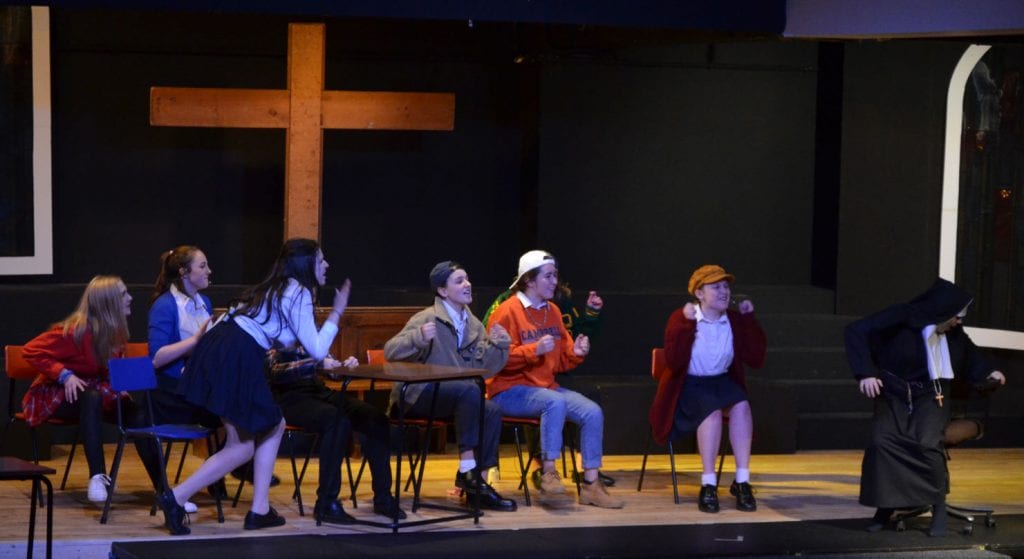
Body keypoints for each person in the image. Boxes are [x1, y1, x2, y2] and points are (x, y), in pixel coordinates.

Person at [155, 238, 351, 535]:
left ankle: (258, 509)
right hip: (237, 352)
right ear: (306, 263)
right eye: (321, 259)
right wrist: (337, 312)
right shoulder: (298, 291)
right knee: (243, 445)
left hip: (224, 346)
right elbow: (317, 349)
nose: (326, 265)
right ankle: (177, 497)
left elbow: (286, 339)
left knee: (267, 428)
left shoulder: (277, 287)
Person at [845, 278, 1006, 537]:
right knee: (882, 443)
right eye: (955, 316)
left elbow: (971, 355)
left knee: (927, 444)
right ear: (940, 310)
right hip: (894, 393)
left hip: (933, 394)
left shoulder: (953, 333)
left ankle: (938, 506)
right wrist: (865, 372)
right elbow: (856, 330)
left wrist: (990, 371)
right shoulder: (902, 316)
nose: (958, 322)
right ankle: (885, 507)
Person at [486, 250, 623, 509]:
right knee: (554, 402)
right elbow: (494, 360)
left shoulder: (553, 312)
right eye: (548, 276)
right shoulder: (506, 311)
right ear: (529, 280)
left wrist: (576, 352)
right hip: (508, 390)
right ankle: (549, 472)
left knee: (592, 411)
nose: (554, 282)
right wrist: (532, 350)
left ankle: (591, 485)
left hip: (545, 388)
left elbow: (560, 361)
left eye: (555, 276)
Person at [383, 261, 517, 511]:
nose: (467, 284)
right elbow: (390, 351)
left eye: (467, 279)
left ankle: (478, 485)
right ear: (443, 291)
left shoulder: (474, 325)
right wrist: (419, 337)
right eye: (459, 281)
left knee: (491, 410)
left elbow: (484, 369)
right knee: (469, 390)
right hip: (418, 394)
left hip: (456, 398)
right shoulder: (427, 317)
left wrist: (499, 346)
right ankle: (467, 470)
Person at [648, 264, 767, 513]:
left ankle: (742, 481)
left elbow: (756, 359)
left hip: (722, 382)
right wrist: (686, 325)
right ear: (699, 293)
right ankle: (708, 484)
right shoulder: (682, 317)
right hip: (690, 384)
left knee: (742, 406)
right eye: (716, 287)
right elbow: (674, 361)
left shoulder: (734, 319)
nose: (724, 292)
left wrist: (749, 321)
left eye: (726, 286)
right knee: (711, 412)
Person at [21, 275, 136, 504]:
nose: (130, 298)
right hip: (56, 396)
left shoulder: (116, 334)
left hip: (91, 396)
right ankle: (97, 476)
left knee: (134, 411)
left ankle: (166, 492)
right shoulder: (75, 332)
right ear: (108, 302)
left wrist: (120, 387)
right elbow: (30, 350)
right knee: (91, 397)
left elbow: (108, 371)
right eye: (124, 294)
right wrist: (64, 374)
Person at [268, 348, 405, 524]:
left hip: (318, 391)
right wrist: (317, 364)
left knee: (375, 418)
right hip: (287, 397)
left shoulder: (312, 335)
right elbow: (275, 372)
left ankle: (383, 497)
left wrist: (342, 367)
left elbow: (331, 371)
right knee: (336, 421)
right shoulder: (276, 333)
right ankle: (326, 502)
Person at [135, 246, 223, 514]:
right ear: (184, 272)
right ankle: (234, 468)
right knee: (229, 408)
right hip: (170, 393)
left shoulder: (204, 302)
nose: (209, 271)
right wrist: (195, 342)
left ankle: (230, 469)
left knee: (238, 406)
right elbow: (156, 357)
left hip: (196, 387)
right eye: (202, 266)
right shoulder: (165, 305)